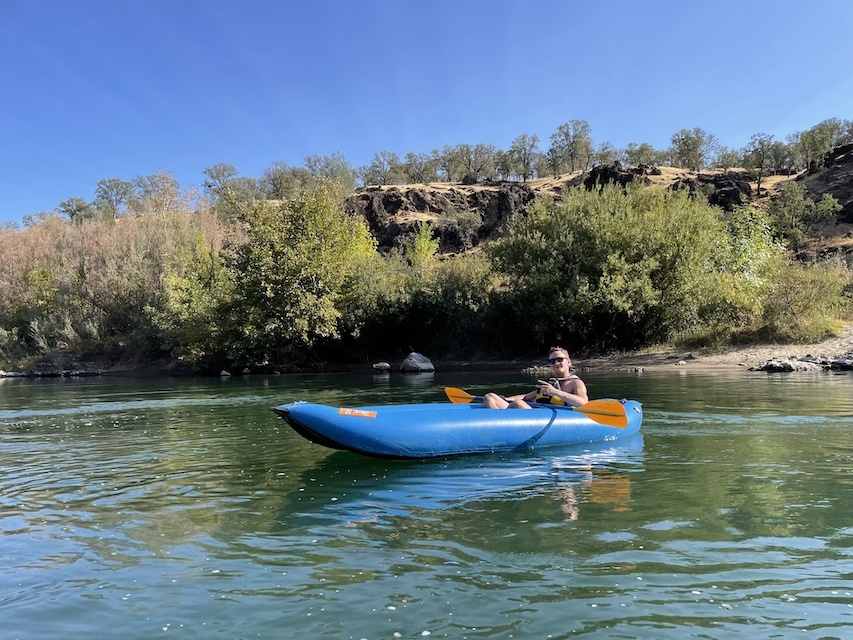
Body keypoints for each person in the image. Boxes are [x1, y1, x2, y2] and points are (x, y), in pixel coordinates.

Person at [483, 347, 589, 409]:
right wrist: (506, 399)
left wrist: (555, 392)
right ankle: (498, 422)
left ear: (569, 362)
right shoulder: (549, 384)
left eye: (560, 359)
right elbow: (526, 397)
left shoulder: (576, 383)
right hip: (536, 413)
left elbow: (583, 402)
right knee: (489, 397)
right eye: (552, 361)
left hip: (550, 419)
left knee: (518, 404)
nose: (556, 363)